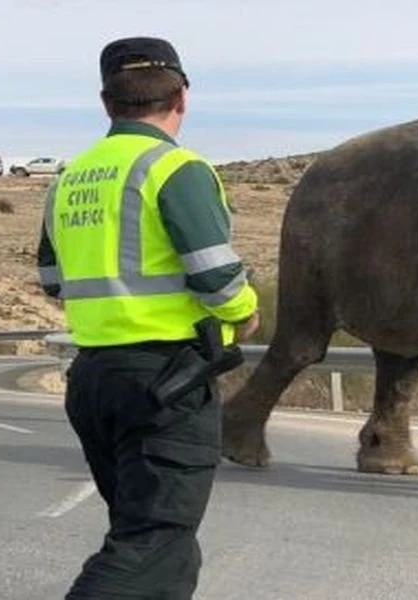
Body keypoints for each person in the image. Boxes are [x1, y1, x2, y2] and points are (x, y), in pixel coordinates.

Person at [36, 36, 259, 599]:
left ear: (107, 102)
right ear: (182, 96)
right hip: (167, 380)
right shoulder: (175, 168)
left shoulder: (68, 180)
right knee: (154, 536)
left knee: (163, 544)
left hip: (93, 380)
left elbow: (53, 280)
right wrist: (246, 311)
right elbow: (215, 276)